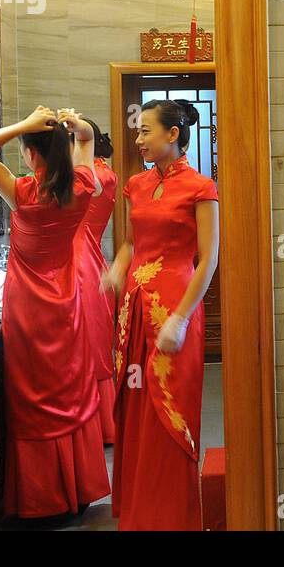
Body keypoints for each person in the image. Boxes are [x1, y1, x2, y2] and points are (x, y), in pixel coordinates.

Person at [0, 105, 109, 520]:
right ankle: (77, 486)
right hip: (67, 301)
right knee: (71, 391)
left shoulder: (24, 192)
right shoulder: (83, 186)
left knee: (33, 399)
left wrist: (22, 125)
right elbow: (86, 137)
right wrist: (73, 123)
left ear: (30, 154)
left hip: (28, 307)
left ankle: (44, 496)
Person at [105, 99, 218, 530]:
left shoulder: (200, 188)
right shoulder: (135, 184)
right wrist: (117, 267)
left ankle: (171, 517)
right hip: (134, 308)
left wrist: (183, 317)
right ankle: (139, 514)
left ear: (173, 134)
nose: (138, 140)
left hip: (174, 307)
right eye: (137, 132)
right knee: (135, 412)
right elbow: (134, 243)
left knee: (167, 411)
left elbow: (207, 259)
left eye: (146, 131)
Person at [66, 114, 118, 445]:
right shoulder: (103, 171)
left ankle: (96, 427)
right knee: (95, 344)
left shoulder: (94, 175)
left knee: (90, 347)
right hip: (92, 261)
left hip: (81, 263)